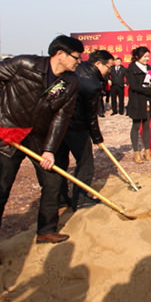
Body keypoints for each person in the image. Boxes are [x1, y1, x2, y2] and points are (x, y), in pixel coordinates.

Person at [0, 35, 83, 269]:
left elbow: (62, 117)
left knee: (52, 183)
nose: (79, 62)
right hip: (8, 135)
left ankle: (47, 230)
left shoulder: (70, 82)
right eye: (76, 57)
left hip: (38, 138)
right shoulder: (23, 65)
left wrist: (50, 150)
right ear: (60, 55)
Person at [55, 49, 114, 210]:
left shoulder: (77, 69)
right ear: (97, 64)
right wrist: (97, 138)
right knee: (85, 163)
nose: (110, 71)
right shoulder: (92, 84)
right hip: (76, 126)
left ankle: (59, 198)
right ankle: (80, 199)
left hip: (57, 126)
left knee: (60, 162)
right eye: (109, 67)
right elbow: (90, 115)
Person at [126, 46, 151, 164]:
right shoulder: (131, 69)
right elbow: (134, 86)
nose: (147, 59)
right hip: (137, 101)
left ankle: (147, 150)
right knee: (136, 126)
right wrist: (147, 90)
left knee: (147, 125)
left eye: (148, 56)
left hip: (148, 100)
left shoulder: (149, 68)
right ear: (137, 57)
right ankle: (136, 152)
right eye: (145, 56)